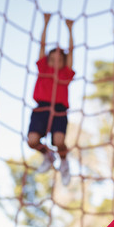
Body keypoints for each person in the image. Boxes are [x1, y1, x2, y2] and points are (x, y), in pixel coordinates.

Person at [27, 13, 74, 186]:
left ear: (63, 62)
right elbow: (41, 46)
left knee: (59, 141)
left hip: (59, 109)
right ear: (48, 59)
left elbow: (71, 53)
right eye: (52, 58)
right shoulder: (43, 69)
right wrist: (46, 23)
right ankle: (48, 155)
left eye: (59, 59)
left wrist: (70, 29)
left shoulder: (65, 74)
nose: (55, 62)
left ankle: (64, 161)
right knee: (32, 140)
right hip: (41, 108)